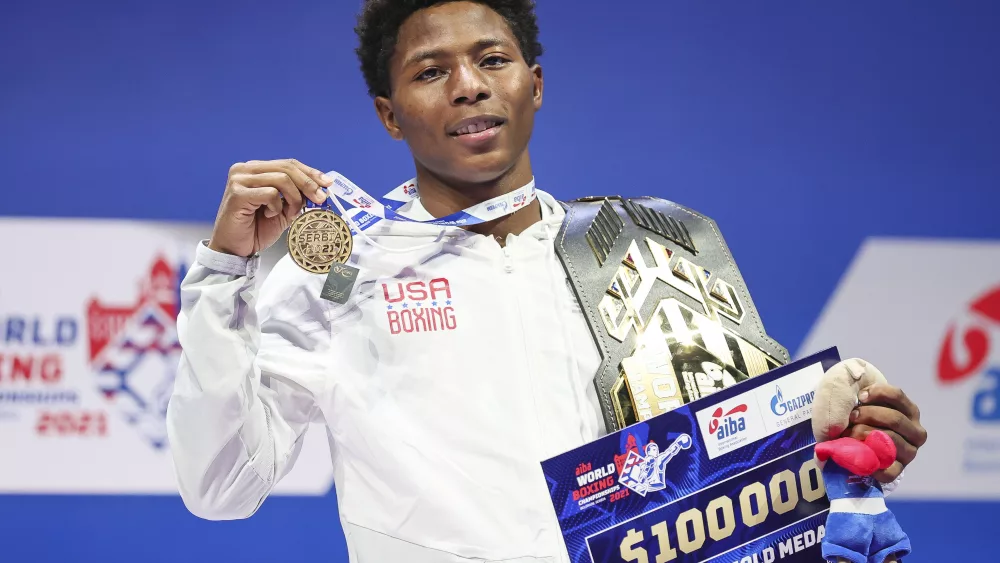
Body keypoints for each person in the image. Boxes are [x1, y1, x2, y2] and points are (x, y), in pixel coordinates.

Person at [165, 1, 929, 562]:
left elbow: (730, 479)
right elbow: (220, 487)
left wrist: (845, 443)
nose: (468, 85)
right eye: (431, 71)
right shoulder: (340, 270)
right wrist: (223, 273)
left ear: (534, 83)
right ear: (389, 115)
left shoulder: (655, 246)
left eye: (491, 60)